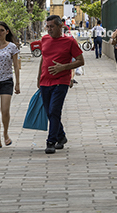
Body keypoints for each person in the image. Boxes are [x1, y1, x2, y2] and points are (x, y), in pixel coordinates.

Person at [37, 15, 84, 154]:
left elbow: (81, 61)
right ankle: (61, 136)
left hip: (61, 81)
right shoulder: (44, 40)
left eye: (52, 26)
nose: (49, 29)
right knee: (49, 112)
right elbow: (43, 59)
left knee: (54, 110)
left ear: (60, 26)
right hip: (45, 81)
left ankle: (51, 141)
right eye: (48, 26)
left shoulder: (69, 42)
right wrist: (38, 78)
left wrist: (63, 67)